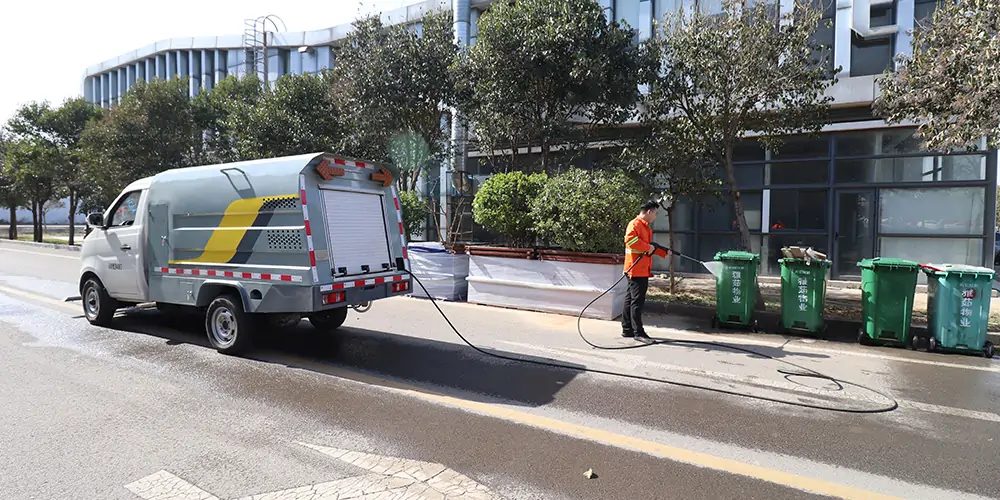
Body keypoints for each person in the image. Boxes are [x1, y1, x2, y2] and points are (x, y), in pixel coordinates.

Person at [622, 200, 671, 340]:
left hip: (639, 268)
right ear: (649, 212)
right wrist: (648, 247)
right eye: (655, 213)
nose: (655, 216)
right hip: (636, 269)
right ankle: (638, 333)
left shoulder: (645, 227)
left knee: (630, 299)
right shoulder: (635, 224)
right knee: (637, 301)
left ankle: (627, 329)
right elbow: (630, 241)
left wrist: (664, 252)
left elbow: (649, 247)